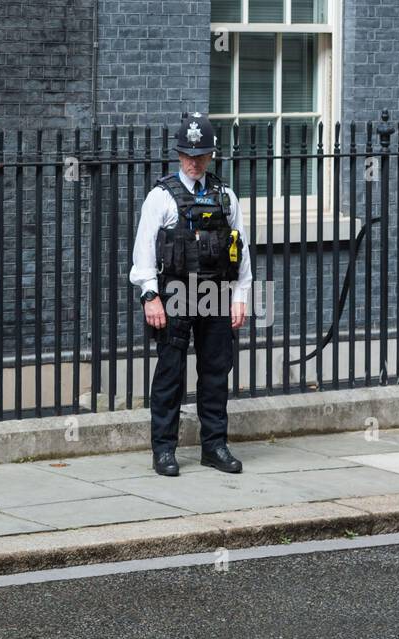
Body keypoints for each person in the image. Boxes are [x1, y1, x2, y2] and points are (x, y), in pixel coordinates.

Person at [130, 111, 252, 477]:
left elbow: (240, 248)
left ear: (211, 155)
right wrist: (150, 295)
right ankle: (164, 450)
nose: (193, 162)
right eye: (187, 155)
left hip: (216, 292)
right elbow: (144, 251)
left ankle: (214, 446)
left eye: (200, 155)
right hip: (176, 293)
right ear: (178, 155)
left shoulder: (226, 197)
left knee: (216, 372)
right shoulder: (161, 197)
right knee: (170, 373)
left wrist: (241, 295)